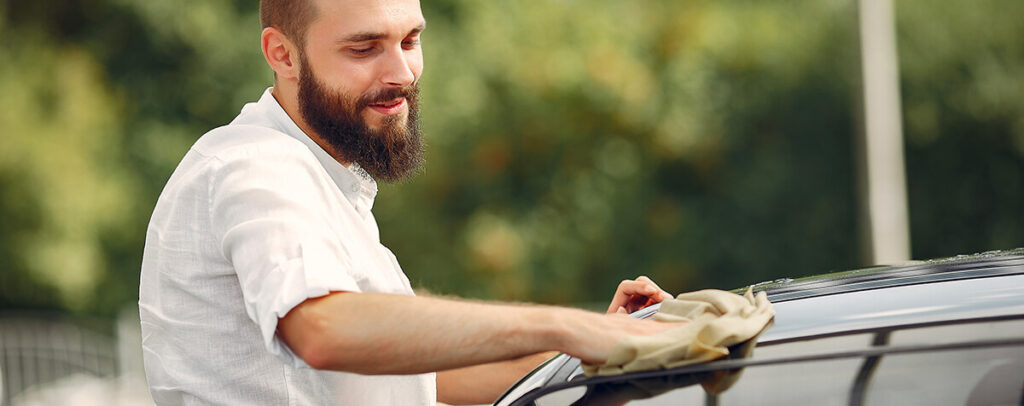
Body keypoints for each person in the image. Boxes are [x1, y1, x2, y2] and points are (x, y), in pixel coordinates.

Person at [138, 0, 676, 404]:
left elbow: (424, 374)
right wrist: (562, 326)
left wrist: (593, 351)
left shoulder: (322, 178)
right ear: (283, 54)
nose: (401, 74)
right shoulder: (255, 167)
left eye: (410, 40)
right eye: (364, 48)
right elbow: (322, 330)